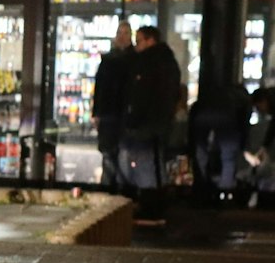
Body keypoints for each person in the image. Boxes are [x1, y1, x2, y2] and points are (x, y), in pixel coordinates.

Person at [120, 25, 183, 215]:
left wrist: (132, 117)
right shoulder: (168, 62)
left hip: (147, 123)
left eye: (139, 41)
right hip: (160, 122)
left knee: (144, 164)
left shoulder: (148, 63)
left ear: (150, 41)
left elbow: (141, 95)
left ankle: (149, 205)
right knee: (154, 163)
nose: (136, 45)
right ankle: (155, 203)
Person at [90, 22, 135, 193]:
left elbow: (100, 88)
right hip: (112, 114)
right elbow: (100, 88)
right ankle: (112, 189)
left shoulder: (114, 60)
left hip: (120, 114)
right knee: (111, 154)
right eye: (120, 33)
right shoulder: (111, 60)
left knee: (120, 155)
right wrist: (97, 113)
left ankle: (115, 189)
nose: (122, 37)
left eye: (125, 33)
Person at [188, 80, 251, 201]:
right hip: (226, 118)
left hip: (201, 115)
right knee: (228, 157)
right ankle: (225, 192)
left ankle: (200, 189)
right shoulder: (243, 98)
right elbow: (244, 124)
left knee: (200, 153)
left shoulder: (214, 93)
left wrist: (191, 144)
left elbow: (195, 109)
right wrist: (244, 147)